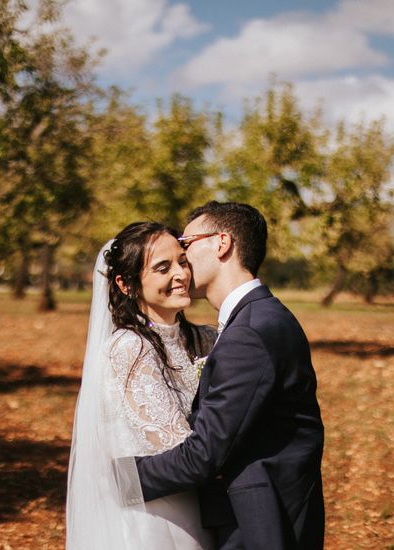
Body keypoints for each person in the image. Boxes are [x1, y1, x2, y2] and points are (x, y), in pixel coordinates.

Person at [115, 201, 326, 550]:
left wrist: (118, 480)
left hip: (259, 523)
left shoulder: (250, 331)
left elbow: (205, 454)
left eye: (187, 243)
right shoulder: (258, 318)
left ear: (222, 243)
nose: (182, 259)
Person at [66, 222, 218, 549]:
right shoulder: (130, 349)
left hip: (204, 506)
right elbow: (176, 447)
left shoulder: (206, 338)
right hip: (160, 519)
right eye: (163, 268)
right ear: (126, 284)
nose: (181, 274)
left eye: (182, 261)